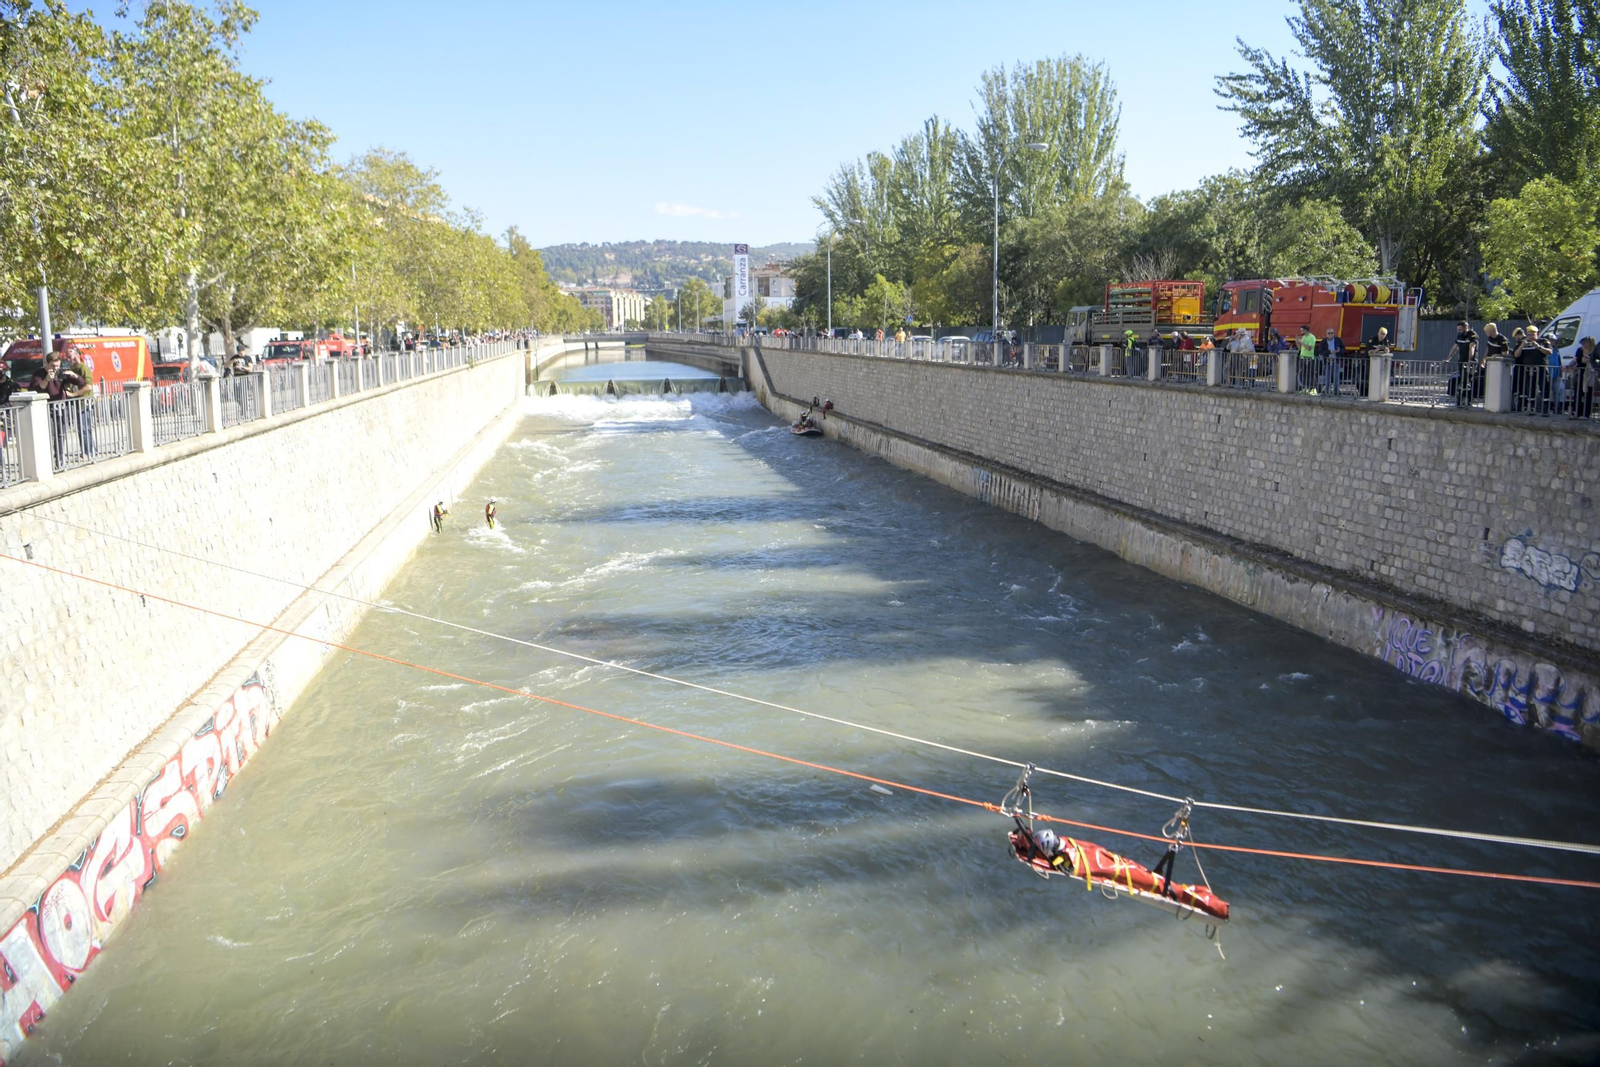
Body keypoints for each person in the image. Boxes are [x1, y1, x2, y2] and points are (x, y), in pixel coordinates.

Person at [1449, 320, 1478, 407]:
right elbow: (1455, 347)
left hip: (1470, 362)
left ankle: (1468, 400)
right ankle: (1460, 400)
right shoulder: (1459, 335)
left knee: (1467, 380)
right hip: (1461, 361)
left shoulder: (1472, 334)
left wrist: (1470, 359)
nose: (1459, 331)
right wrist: (1448, 358)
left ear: (1466, 328)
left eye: (1461, 329)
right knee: (1462, 380)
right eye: (1458, 329)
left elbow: (1472, 347)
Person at [1570, 336, 1596, 419]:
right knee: (1578, 393)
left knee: (1588, 394)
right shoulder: (1579, 350)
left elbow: (1592, 361)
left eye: (1584, 344)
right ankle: (1577, 412)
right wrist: (1569, 366)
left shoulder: (1595, 351)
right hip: (1580, 374)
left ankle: (1586, 414)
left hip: (1589, 374)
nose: (1582, 345)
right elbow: (1576, 360)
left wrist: (1588, 357)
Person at [1316, 328, 1345, 395]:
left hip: (1336, 360)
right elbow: (1320, 351)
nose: (1330, 334)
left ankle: (1336, 391)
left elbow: (1343, 348)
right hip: (1327, 361)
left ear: (1334, 334)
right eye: (1329, 333)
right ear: (1326, 334)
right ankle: (1327, 391)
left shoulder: (1338, 340)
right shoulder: (1323, 341)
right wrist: (1329, 352)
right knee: (1327, 376)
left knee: (1336, 376)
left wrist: (1339, 350)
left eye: (1332, 333)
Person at [1296, 325, 1317, 391]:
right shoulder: (1303, 337)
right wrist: (1297, 342)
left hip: (1309, 358)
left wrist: (1301, 342)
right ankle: (1305, 388)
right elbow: (1300, 348)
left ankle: (1313, 388)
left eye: (1302, 330)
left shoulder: (1312, 337)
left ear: (1306, 330)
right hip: (1303, 358)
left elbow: (1309, 348)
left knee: (1310, 374)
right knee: (1303, 374)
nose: (1301, 332)